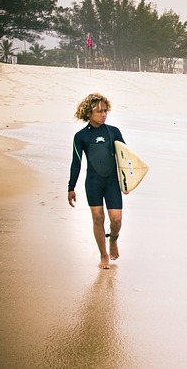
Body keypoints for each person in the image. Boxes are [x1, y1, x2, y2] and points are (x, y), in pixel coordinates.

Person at [68, 93, 126, 269]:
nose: (104, 114)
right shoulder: (81, 136)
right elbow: (76, 162)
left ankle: (113, 240)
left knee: (116, 220)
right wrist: (71, 187)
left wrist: (127, 182)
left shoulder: (113, 132)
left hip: (112, 182)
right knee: (98, 218)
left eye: (105, 110)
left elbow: (125, 159)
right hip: (93, 183)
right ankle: (103, 255)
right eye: (99, 111)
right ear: (88, 113)